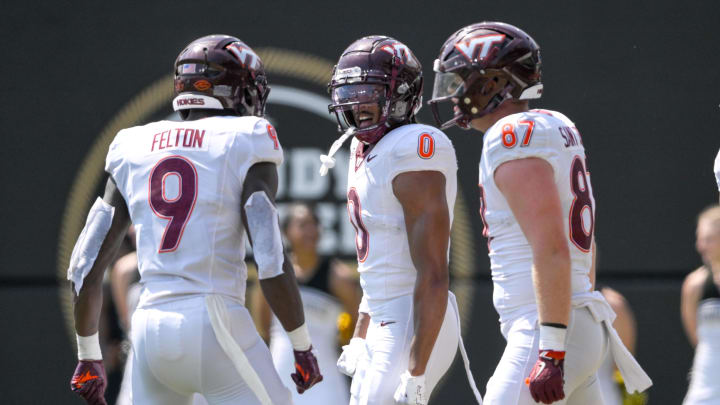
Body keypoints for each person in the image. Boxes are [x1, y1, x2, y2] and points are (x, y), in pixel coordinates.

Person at [66, 34, 322, 405]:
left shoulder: (131, 144)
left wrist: (87, 355)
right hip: (213, 319)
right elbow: (269, 255)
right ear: (238, 90)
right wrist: (301, 344)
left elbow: (84, 265)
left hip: (149, 329)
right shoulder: (248, 136)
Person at [428, 22, 652, 404]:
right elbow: (582, 244)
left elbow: (549, 247)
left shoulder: (511, 136)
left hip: (547, 327)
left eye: (462, 79)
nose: (452, 94)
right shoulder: (555, 125)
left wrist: (551, 346)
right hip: (574, 321)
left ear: (494, 83)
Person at [320, 35, 483, 405]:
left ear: (402, 93)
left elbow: (433, 273)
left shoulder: (415, 145)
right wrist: (361, 334)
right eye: (350, 91)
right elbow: (378, 264)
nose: (356, 102)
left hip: (413, 315)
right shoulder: (361, 148)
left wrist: (418, 369)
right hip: (381, 315)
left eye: (369, 91)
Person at [252, 202, 361, 404]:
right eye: (302, 224)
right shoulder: (273, 274)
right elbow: (264, 328)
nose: (310, 231)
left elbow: (359, 320)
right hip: (281, 372)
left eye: (314, 224)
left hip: (326, 377)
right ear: (286, 232)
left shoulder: (338, 276)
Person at [681, 205, 720, 404]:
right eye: (700, 239)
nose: (700, 246)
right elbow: (696, 337)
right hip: (705, 384)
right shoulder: (694, 285)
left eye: (708, 239)